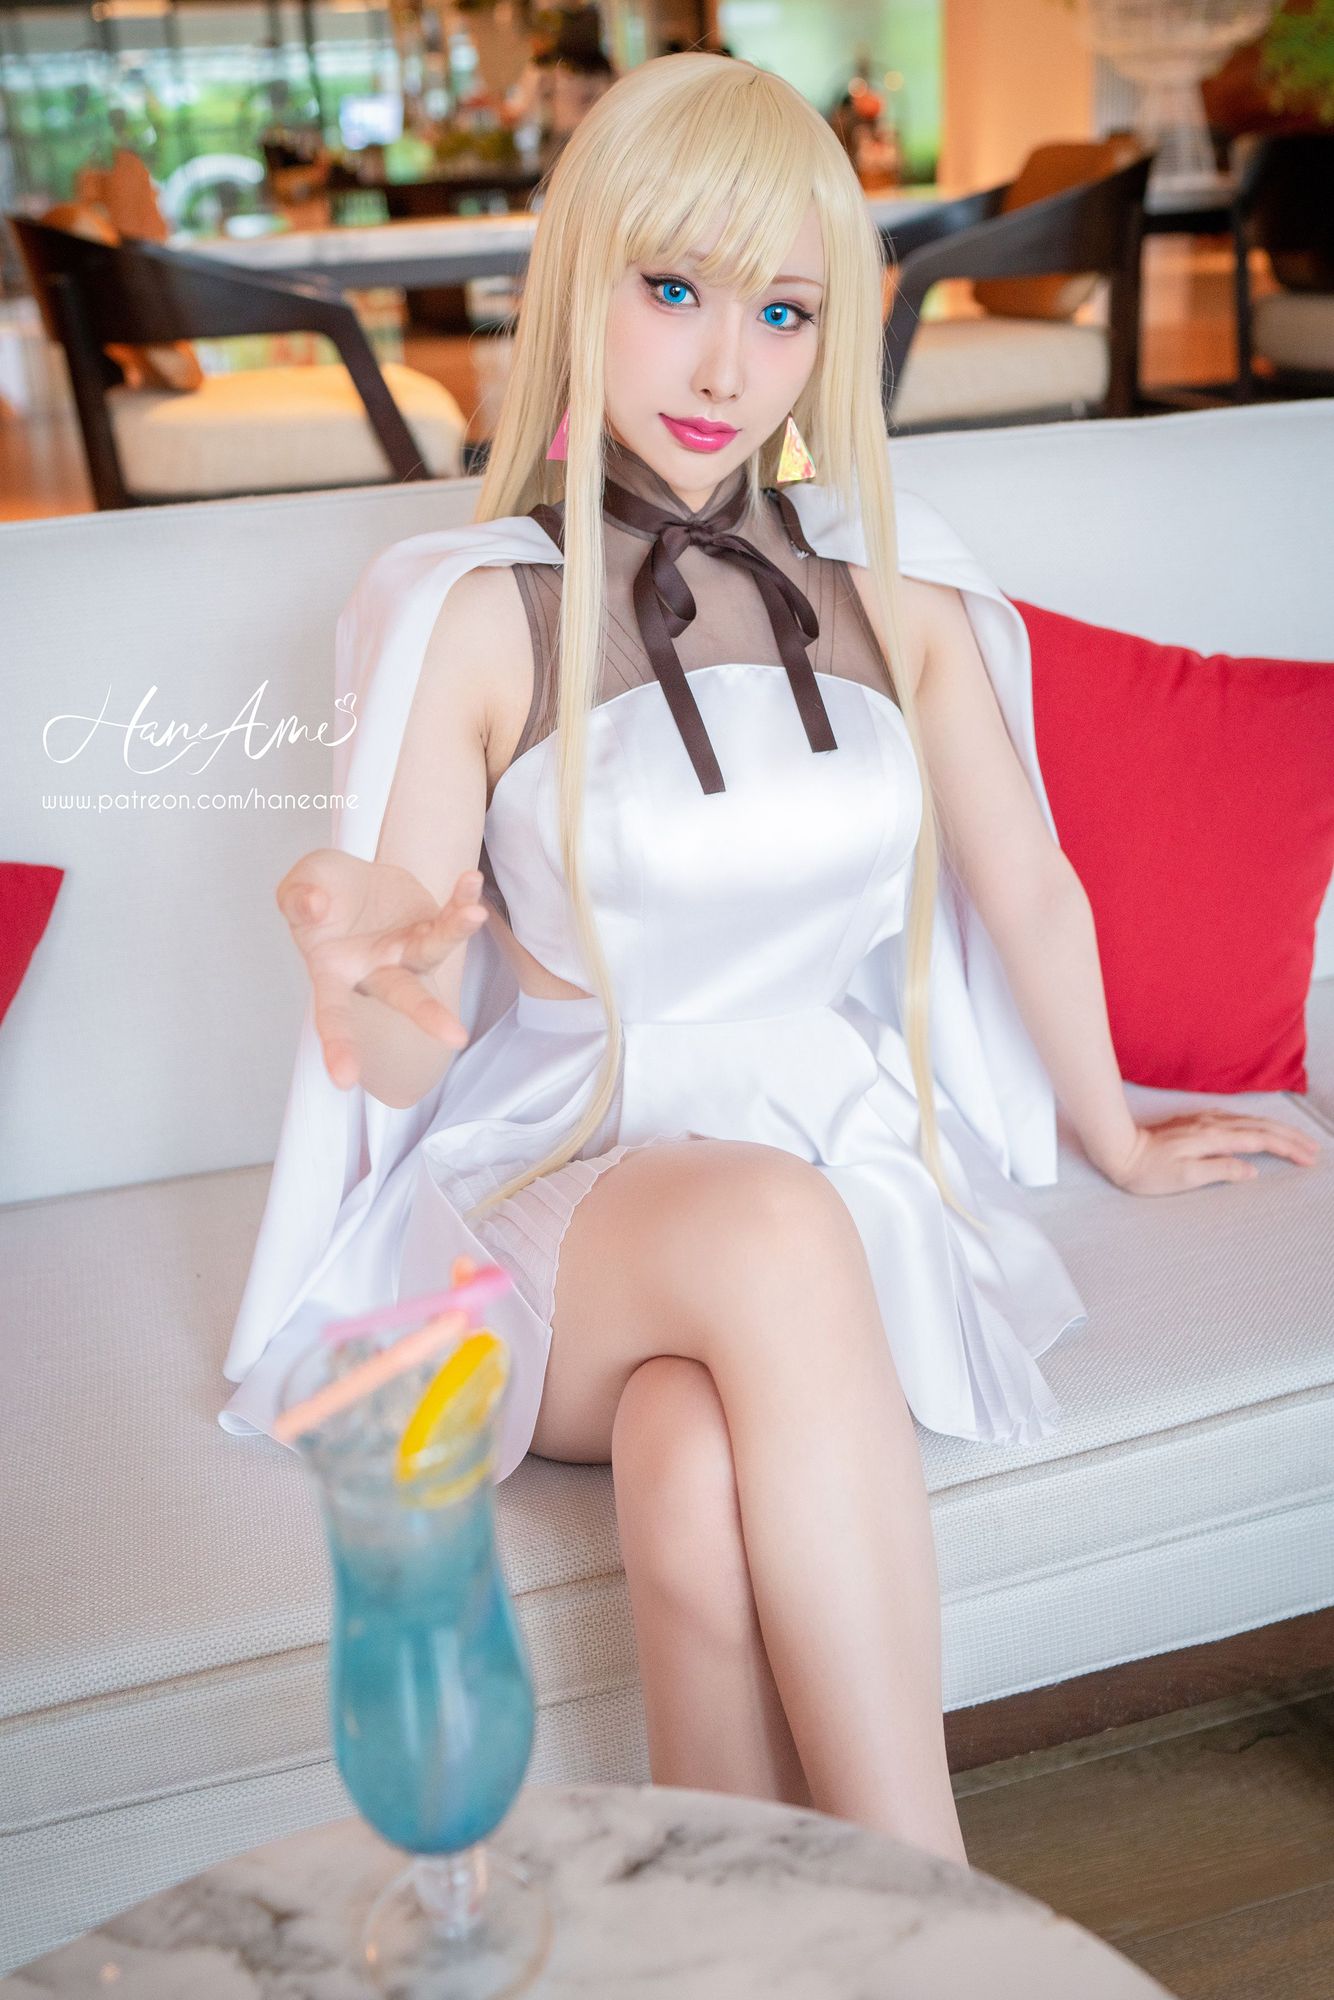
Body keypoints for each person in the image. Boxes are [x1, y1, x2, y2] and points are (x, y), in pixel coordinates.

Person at [220, 53, 1320, 1864]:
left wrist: (1117, 1135)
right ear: (579, 285)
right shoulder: (483, 613)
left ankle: (727, 1923)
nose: (727, 367)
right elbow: (405, 1049)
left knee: (692, 1457)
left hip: (833, 1166)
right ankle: (938, 1912)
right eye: (673, 290)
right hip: (549, 1192)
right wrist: (357, 979)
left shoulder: (896, 591)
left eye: (783, 312)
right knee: (761, 1235)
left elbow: (1029, 885)